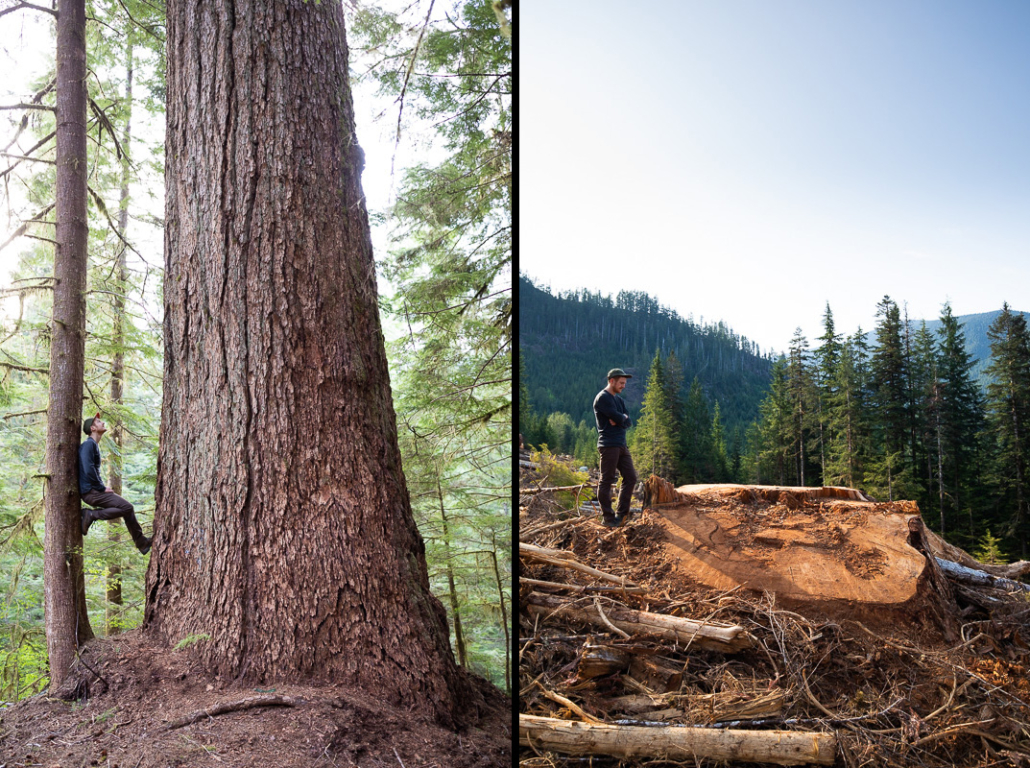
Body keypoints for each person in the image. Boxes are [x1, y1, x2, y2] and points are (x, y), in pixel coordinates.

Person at [79, 412, 152, 555]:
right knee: (127, 507)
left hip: (92, 492)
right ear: (92, 428)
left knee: (126, 508)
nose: (103, 423)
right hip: (91, 492)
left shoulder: (92, 445)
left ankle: (142, 543)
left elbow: (91, 469)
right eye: (99, 422)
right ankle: (92, 515)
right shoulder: (88, 445)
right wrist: (101, 487)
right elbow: (88, 470)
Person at [593, 368, 639, 527]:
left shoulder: (619, 401)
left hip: (621, 444)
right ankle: (608, 518)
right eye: (621, 383)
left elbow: (628, 421)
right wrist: (621, 418)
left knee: (631, 477)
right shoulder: (602, 398)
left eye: (625, 383)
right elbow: (621, 418)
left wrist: (621, 419)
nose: (623, 386)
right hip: (608, 445)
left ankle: (621, 516)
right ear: (611, 381)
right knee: (606, 480)